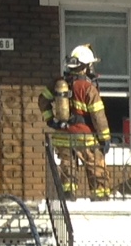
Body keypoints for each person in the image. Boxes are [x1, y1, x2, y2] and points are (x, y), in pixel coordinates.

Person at [39, 44, 112, 200]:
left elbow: (42, 100)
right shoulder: (88, 88)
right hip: (84, 136)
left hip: (62, 135)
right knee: (95, 166)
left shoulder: (58, 83)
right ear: (85, 66)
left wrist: (51, 121)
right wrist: (105, 138)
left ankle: (68, 195)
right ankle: (100, 196)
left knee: (67, 166)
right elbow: (98, 116)